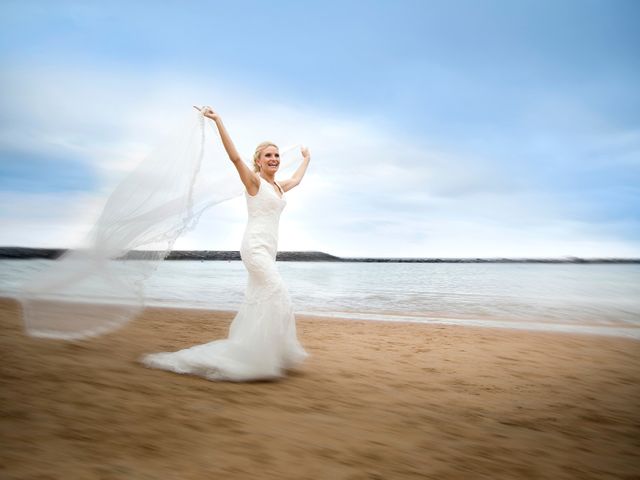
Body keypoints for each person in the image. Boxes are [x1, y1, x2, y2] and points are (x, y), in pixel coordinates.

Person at [140, 106, 311, 381]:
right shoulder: (254, 182)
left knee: (262, 300)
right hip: (254, 248)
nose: (274, 159)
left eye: (277, 155)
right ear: (258, 160)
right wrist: (218, 121)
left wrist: (307, 159)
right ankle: (256, 356)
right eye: (268, 155)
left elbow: (298, 179)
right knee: (277, 293)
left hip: (269, 249)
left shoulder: (279, 187)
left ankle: (264, 353)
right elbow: (233, 157)